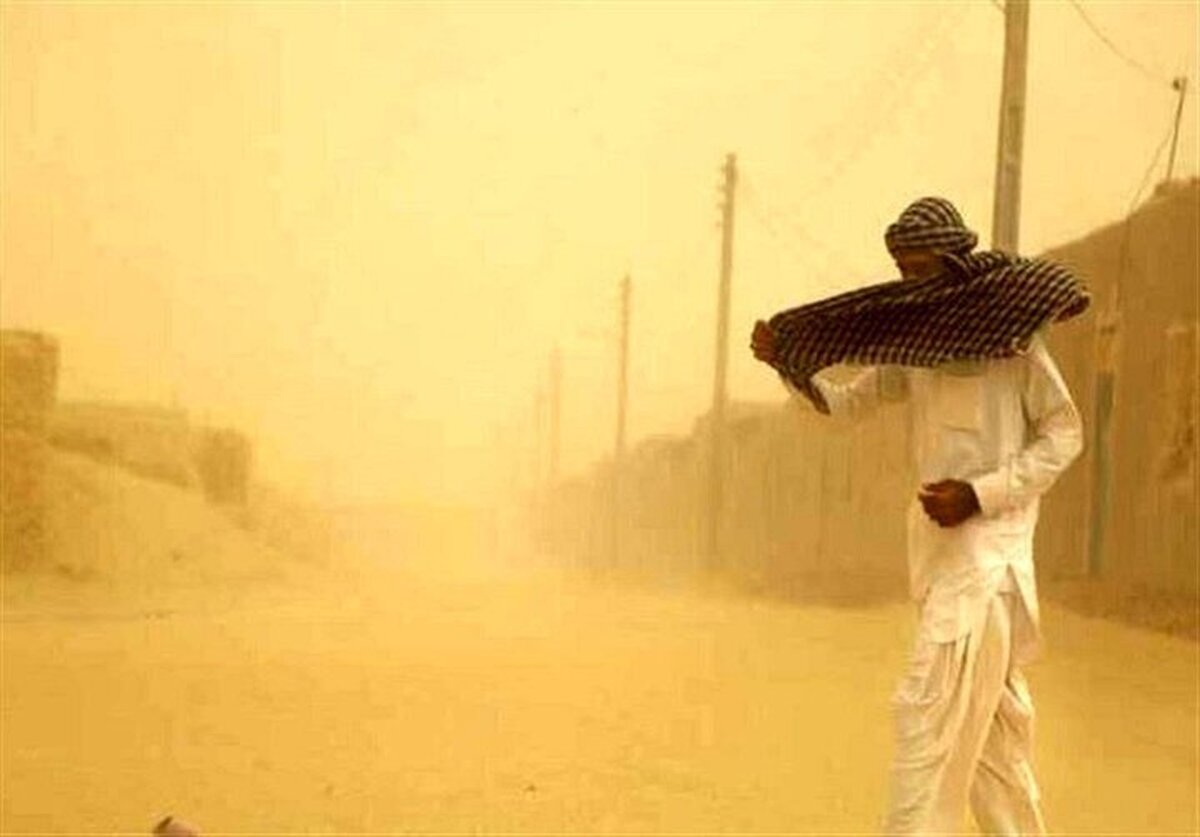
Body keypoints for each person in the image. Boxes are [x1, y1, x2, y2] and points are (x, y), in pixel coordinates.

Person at [750, 197, 1085, 835]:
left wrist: (981, 494)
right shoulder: (917, 346)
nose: (910, 284)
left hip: (988, 573)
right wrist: (786, 367)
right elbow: (846, 407)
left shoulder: (1014, 340)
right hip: (940, 565)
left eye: (921, 269)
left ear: (955, 262)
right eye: (901, 271)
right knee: (996, 756)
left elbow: (1065, 434)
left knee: (924, 726)